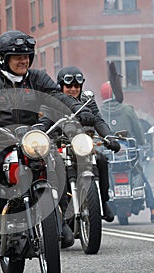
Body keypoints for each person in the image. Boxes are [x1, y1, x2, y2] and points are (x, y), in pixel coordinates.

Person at [0, 30, 96, 245]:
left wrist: (79, 110)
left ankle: (60, 220)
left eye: (27, 56)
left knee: (57, 165)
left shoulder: (38, 78)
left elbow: (58, 97)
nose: (24, 61)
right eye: (17, 56)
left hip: (34, 138)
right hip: (0, 138)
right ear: (3, 58)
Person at [56, 66, 121, 225]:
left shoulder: (87, 100)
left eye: (76, 86)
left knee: (101, 160)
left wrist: (109, 137)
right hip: (60, 146)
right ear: (61, 86)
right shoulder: (54, 101)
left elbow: (98, 120)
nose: (73, 89)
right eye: (69, 86)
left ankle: (103, 202)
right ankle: (57, 212)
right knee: (53, 166)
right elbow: (45, 122)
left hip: (83, 145)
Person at [100, 81, 154, 223]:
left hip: (109, 156)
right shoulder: (128, 109)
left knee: (100, 178)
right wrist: (142, 143)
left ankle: (97, 209)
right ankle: (153, 211)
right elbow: (138, 130)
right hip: (129, 155)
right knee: (142, 176)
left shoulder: (99, 111)